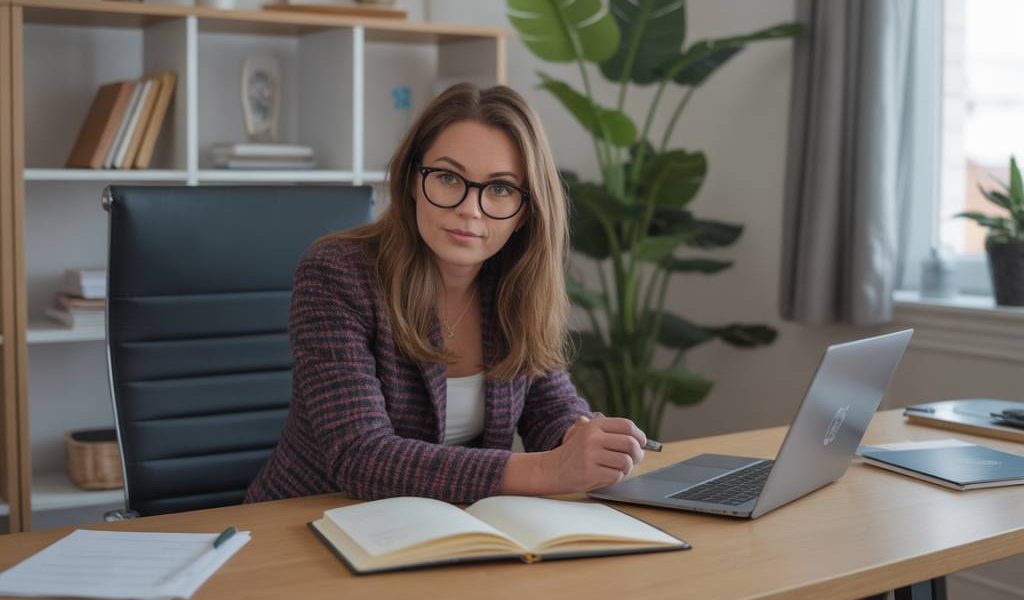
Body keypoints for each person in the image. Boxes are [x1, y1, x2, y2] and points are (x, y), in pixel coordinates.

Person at [245, 83, 649, 505]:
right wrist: (550, 469)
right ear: (412, 180)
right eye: (448, 178)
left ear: (526, 211)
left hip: (446, 526)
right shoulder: (338, 274)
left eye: (500, 189)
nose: (469, 209)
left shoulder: (515, 284)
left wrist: (583, 440)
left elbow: (550, 409)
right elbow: (360, 455)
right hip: (308, 520)